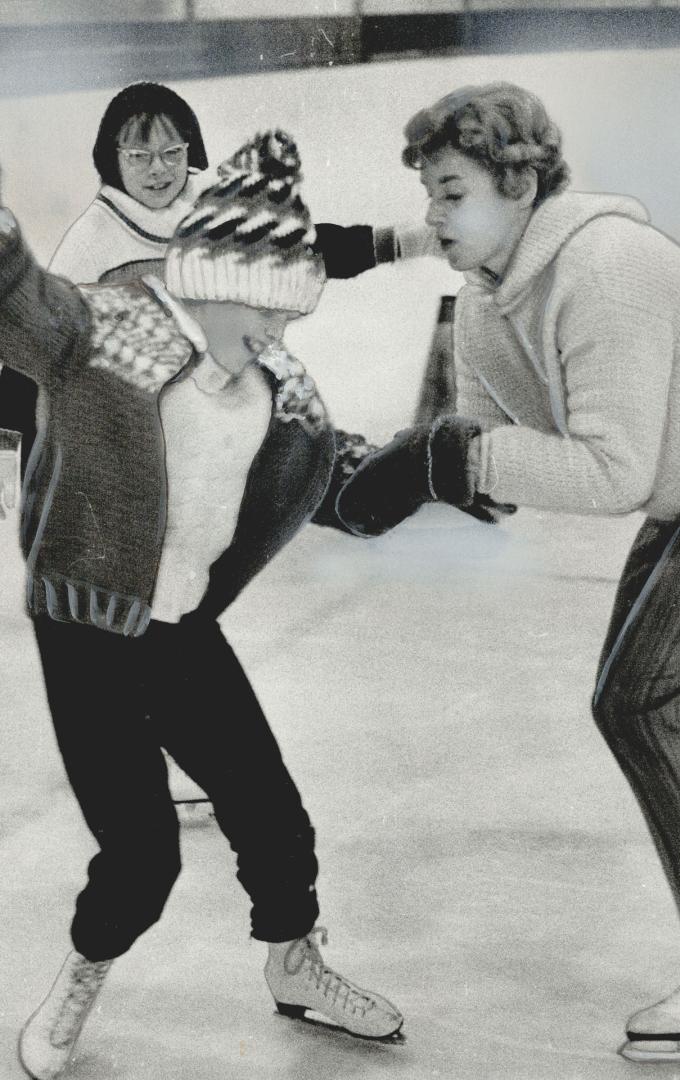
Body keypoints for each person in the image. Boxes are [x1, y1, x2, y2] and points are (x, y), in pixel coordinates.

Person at [334, 81, 680, 1063]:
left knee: (644, 700)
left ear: (519, 185)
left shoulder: (603, 269)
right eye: (428, 196)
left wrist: (447, 459)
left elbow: (609, 473)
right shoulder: (484, 299)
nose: (432, 218)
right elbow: (491, 444)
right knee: (649, 690)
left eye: (450, 193)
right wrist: (410, 471)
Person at [0, 128, 406, 1080]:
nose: (279, 335)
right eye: (265, 313)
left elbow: (331, 481)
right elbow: (19, 295)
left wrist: (430, 469)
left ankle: (295, 964)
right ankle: (80, 978)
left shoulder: (276, 383)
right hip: (89, 629)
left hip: (182, 627)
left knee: (273, 816)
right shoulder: (103, 330)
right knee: (142, 855)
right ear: (210, 281)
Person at [0, 81, 214, 818]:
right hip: (105, 466)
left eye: (171, 152)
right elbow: (38, 350)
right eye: (138, 153)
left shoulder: (206, 220)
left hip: (183, 457)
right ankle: (152, 759)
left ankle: (170, 746)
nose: (157, 169)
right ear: (111, 160)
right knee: (137, 616)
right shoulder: (92, 244)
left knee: (178, 610)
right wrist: (11, 455)